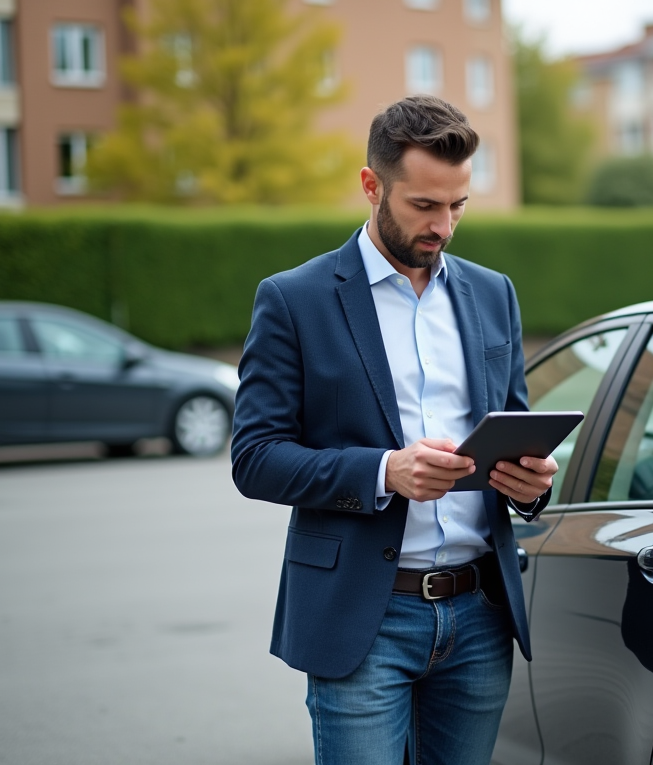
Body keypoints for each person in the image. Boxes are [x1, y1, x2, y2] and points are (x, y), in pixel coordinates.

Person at [231, 95, 556, 765]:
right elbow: (255, 458)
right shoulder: (294, 299)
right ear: (371, 186)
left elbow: (514, 425)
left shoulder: (494, 293)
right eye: (424, 206)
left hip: (479, 614)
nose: (444, 225)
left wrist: (529, 485)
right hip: (364, 618)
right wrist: (385, 472)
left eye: (458, 205)